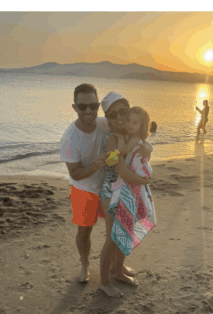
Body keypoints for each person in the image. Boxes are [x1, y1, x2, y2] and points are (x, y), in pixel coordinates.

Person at [59, 86, 149, 285]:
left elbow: (130, 138)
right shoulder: (70, 139)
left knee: (118, 232)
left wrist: (146, 148)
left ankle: (116, 267)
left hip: (113, 186)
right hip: (86, 188)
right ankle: (85, 265)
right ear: (75, 107)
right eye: (83, 107)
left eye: (92, 106)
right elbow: (75, 173)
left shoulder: (106, 124)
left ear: (98, 107)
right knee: (85, 230)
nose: (88, 111)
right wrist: (100, 163)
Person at [98, 106, 154, 298]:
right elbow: (119, 169)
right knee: (112, 237)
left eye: (125, 115)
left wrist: (148, 149)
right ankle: (104, 282)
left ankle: (118, 270)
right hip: (111, 191)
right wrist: (144, 181)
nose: (122, 119)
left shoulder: (127, 138)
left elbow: (139, 158)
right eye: (114, 115)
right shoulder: (114, 139)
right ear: (108, 119)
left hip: (125, 190)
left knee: (123, 232)